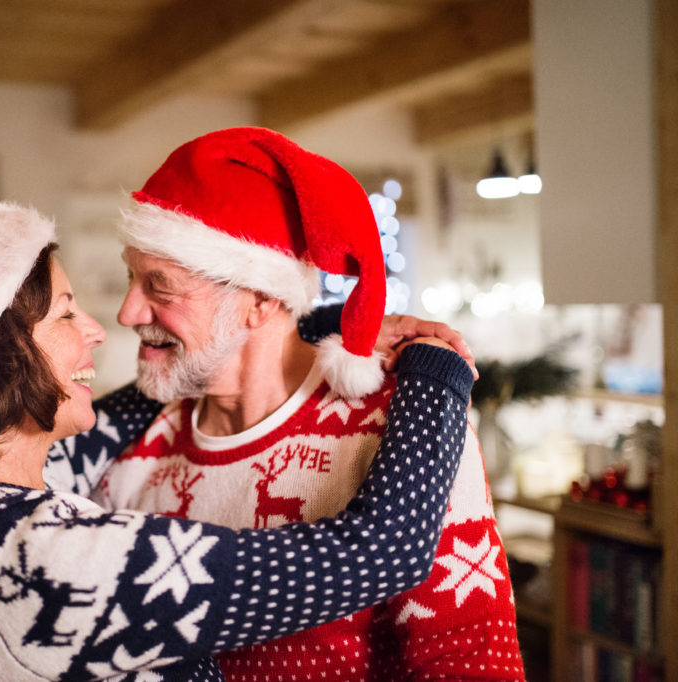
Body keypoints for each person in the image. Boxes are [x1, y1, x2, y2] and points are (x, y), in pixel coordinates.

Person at [0, 199, 477, 681]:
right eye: (66, 312)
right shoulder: (49, 562)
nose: (104, 327)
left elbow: (115, 421)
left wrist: (303, 321)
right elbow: (384, 552)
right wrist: (436, 366)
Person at [49, 127, 526, 681]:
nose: (128, 313)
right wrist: (331, 323)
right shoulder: (118, 443)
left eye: (159, 286)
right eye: (132, 278)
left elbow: (468, 662)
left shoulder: (402, 432)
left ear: (261, 300)